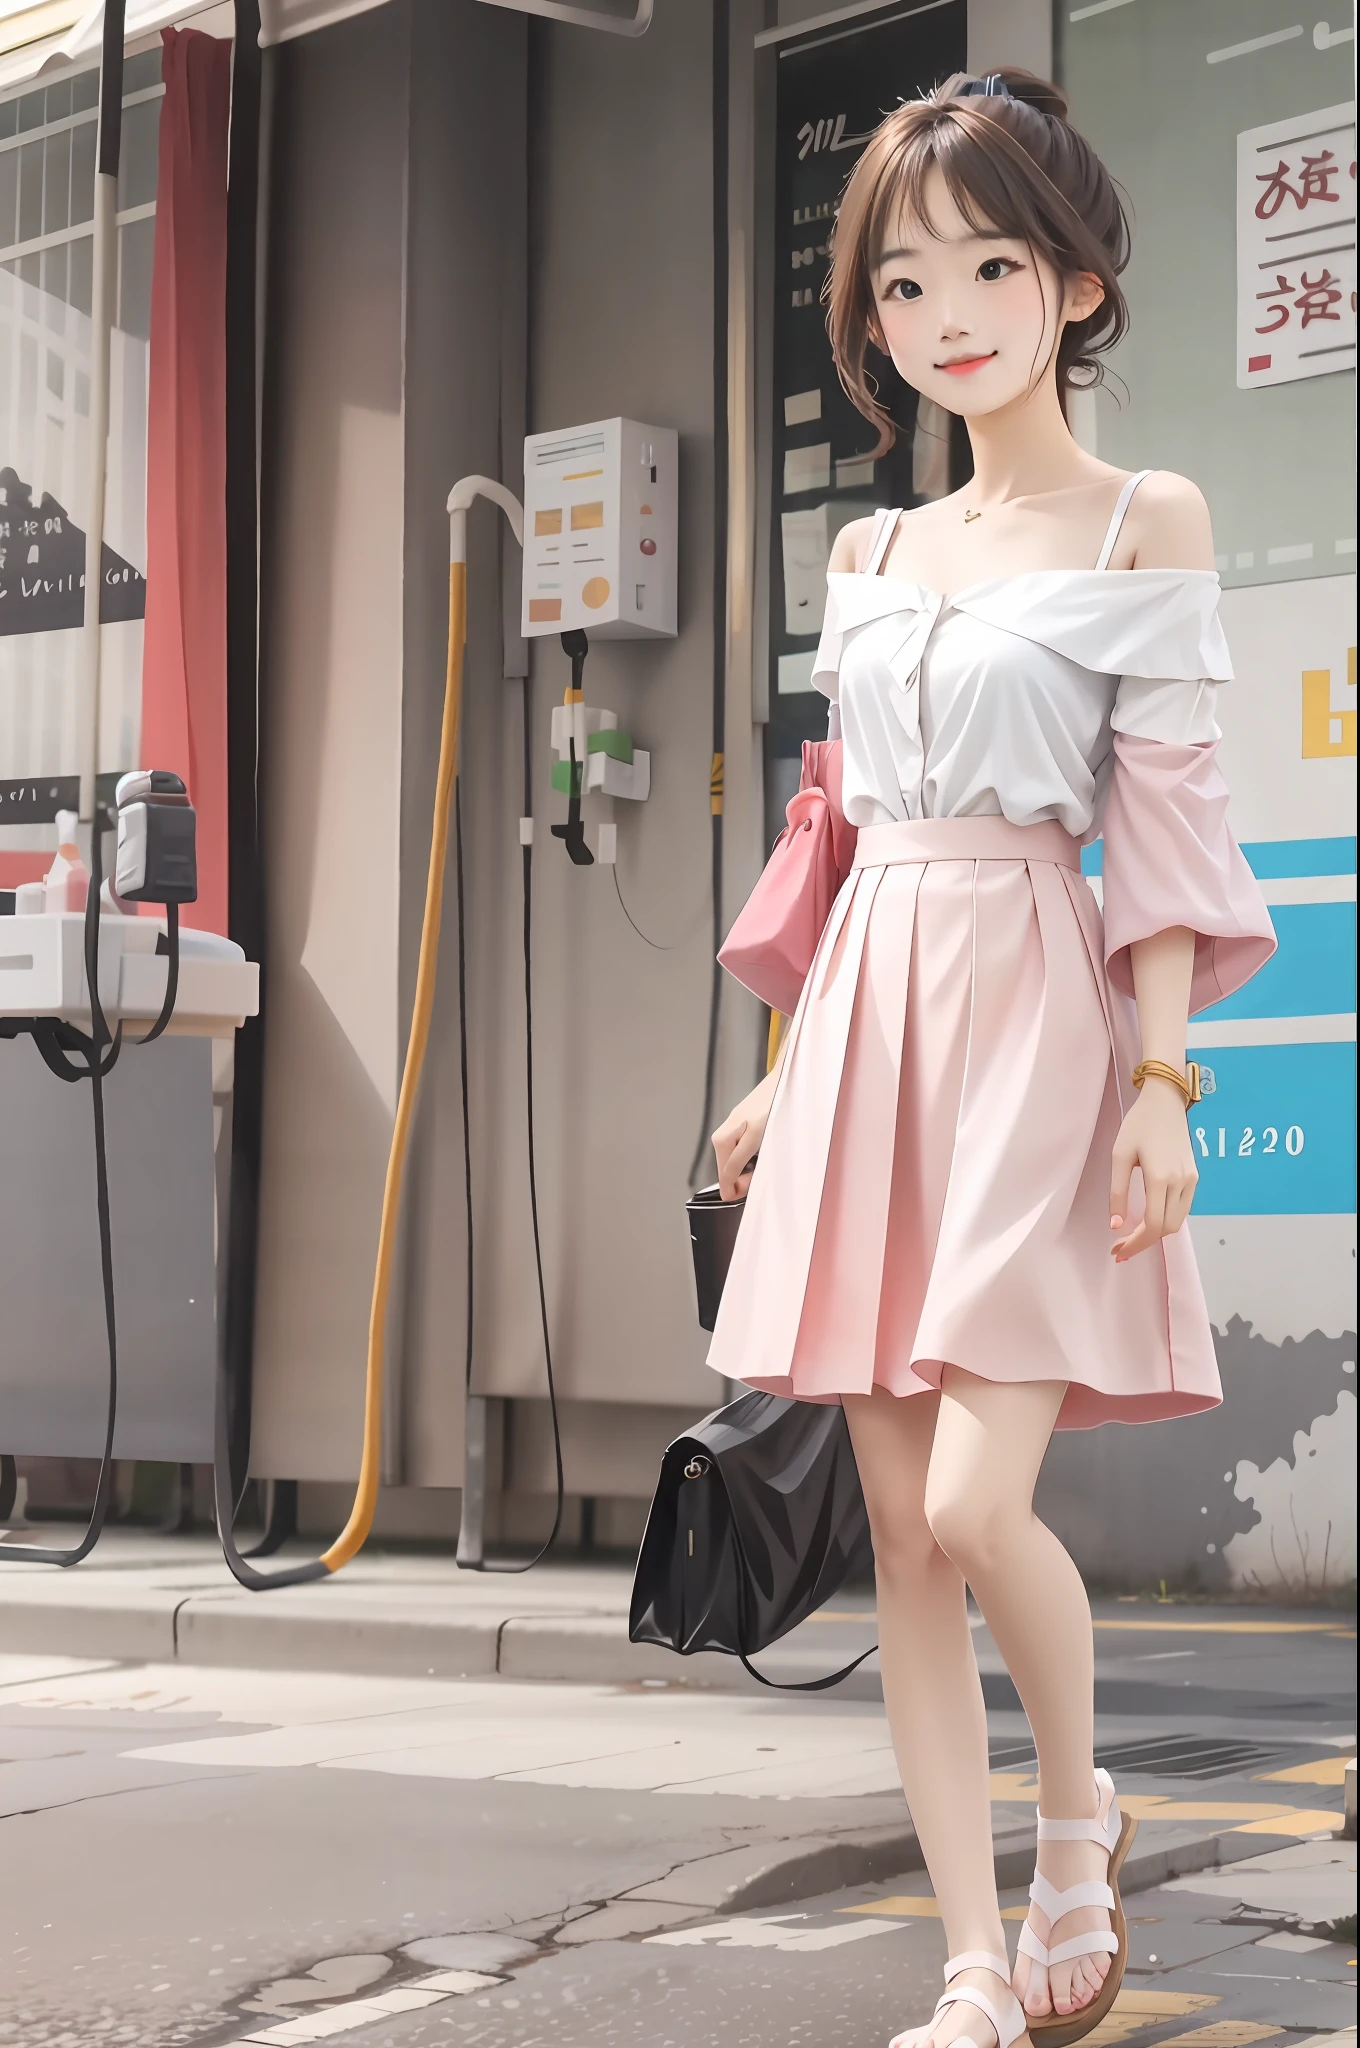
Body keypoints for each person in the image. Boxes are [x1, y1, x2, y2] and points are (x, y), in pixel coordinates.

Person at [708, 70, 1275, 2048]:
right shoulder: (869, 558)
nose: (944, 310)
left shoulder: (1145, 514)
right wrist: (782, 1064)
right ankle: (963, 1960)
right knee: (891, 1536)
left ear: (1073, 279)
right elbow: (835, 833)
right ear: (868, 320)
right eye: (900, 282)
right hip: (869, 1020)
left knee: (967, 1504)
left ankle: (1072, 1826)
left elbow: (1173, 812)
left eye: (990, 263)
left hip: (1040, 1014)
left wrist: (1154, 1080)